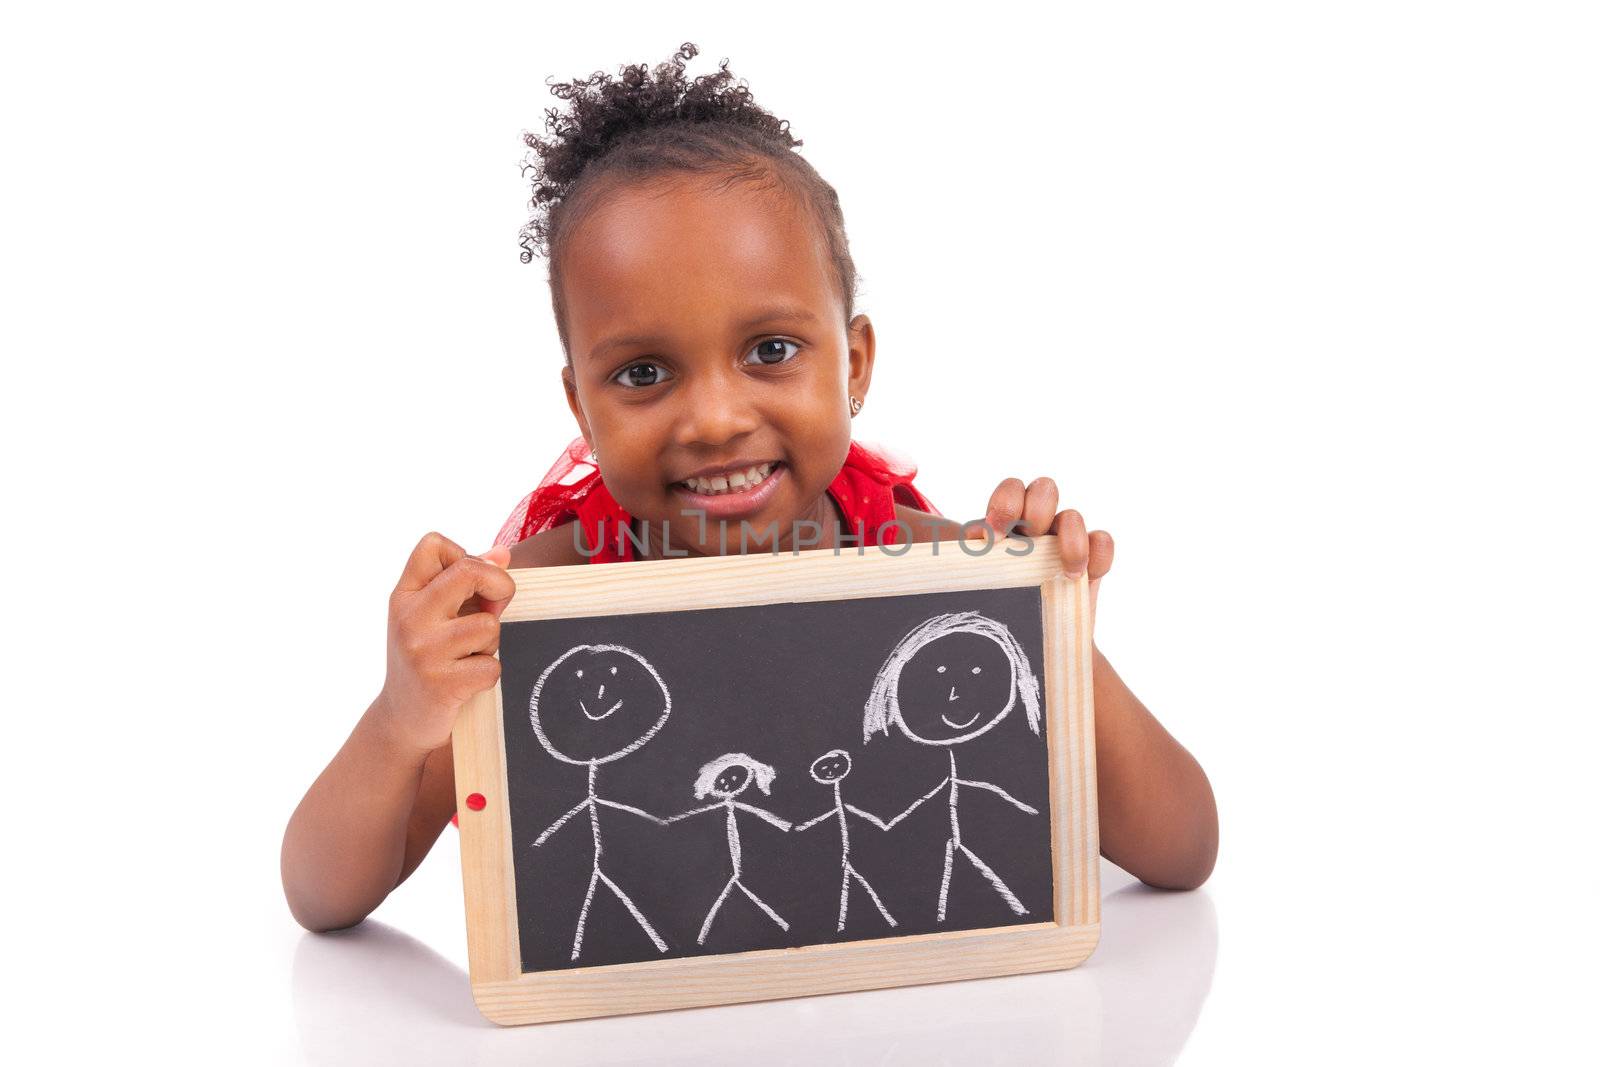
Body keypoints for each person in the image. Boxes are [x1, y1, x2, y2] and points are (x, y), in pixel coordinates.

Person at [280, 42, 1218, 934]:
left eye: (770, 351)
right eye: (644, 373)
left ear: (852, 363)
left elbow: (1181, 848)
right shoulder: (532, 603)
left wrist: (1054, 636)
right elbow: (321, 895)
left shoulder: (926, 565)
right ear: (582, 403)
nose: (717, 419)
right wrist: (401, 719)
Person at [668, 753, 793, 944]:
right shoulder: (719, 807)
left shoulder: (739, 805)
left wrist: (782, 824)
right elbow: (699, 812)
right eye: (723, 780)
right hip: (717, 861)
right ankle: (705, 932)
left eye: (735, 778)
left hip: (746, 860)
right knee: (727, 887)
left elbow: (759, 813)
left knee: (737, 883)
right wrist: (673, 821)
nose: (730, 783)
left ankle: (706, 932)